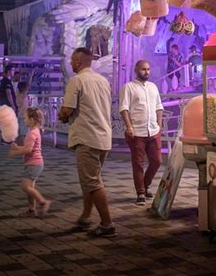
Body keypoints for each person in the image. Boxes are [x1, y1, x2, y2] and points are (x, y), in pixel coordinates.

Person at [58, 47, 115, 238]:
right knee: (90, 181)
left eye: (73, 61)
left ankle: (107, 224)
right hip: (103, 137)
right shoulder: (103, 81)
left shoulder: (76, 81)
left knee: (92, 182)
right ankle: (85, 217)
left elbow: (66, 110)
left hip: (86, 137)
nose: (71, 64)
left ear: (78, 62)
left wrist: (61, 116)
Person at [120, 60, 163, 205]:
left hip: (153, 131)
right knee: (138, 163)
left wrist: (159, 125)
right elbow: (124, 108)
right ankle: (141, 193)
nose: (147, 72)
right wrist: (129, 127)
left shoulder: (153, 87)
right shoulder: (128, 87)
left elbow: (159, 107)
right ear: (136, 70)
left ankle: (145, 185)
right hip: (137, 132)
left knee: (157, 161)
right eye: (143, 69)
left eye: (148, 69)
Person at [9, 107, 51, 218]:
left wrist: (15, 153)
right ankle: (32, 210)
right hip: (35, 164)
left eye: (25, 118)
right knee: (30, 188)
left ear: (32, 120)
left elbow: (28, 150)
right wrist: (18, 148)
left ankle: (43, 202)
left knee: (25, 186)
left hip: (33, 164)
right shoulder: (35, 132)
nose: (24, 120)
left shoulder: (32, 133)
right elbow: (28, 147)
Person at [16, 69, 36, 142]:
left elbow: (23, 85)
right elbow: (28, 84)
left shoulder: (18, 93)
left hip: (20, 113)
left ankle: (18, 147)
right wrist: (31, 75)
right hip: (23, 114)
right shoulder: (23, 95)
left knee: (20, 132)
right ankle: (22, 147)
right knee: (23, 133)